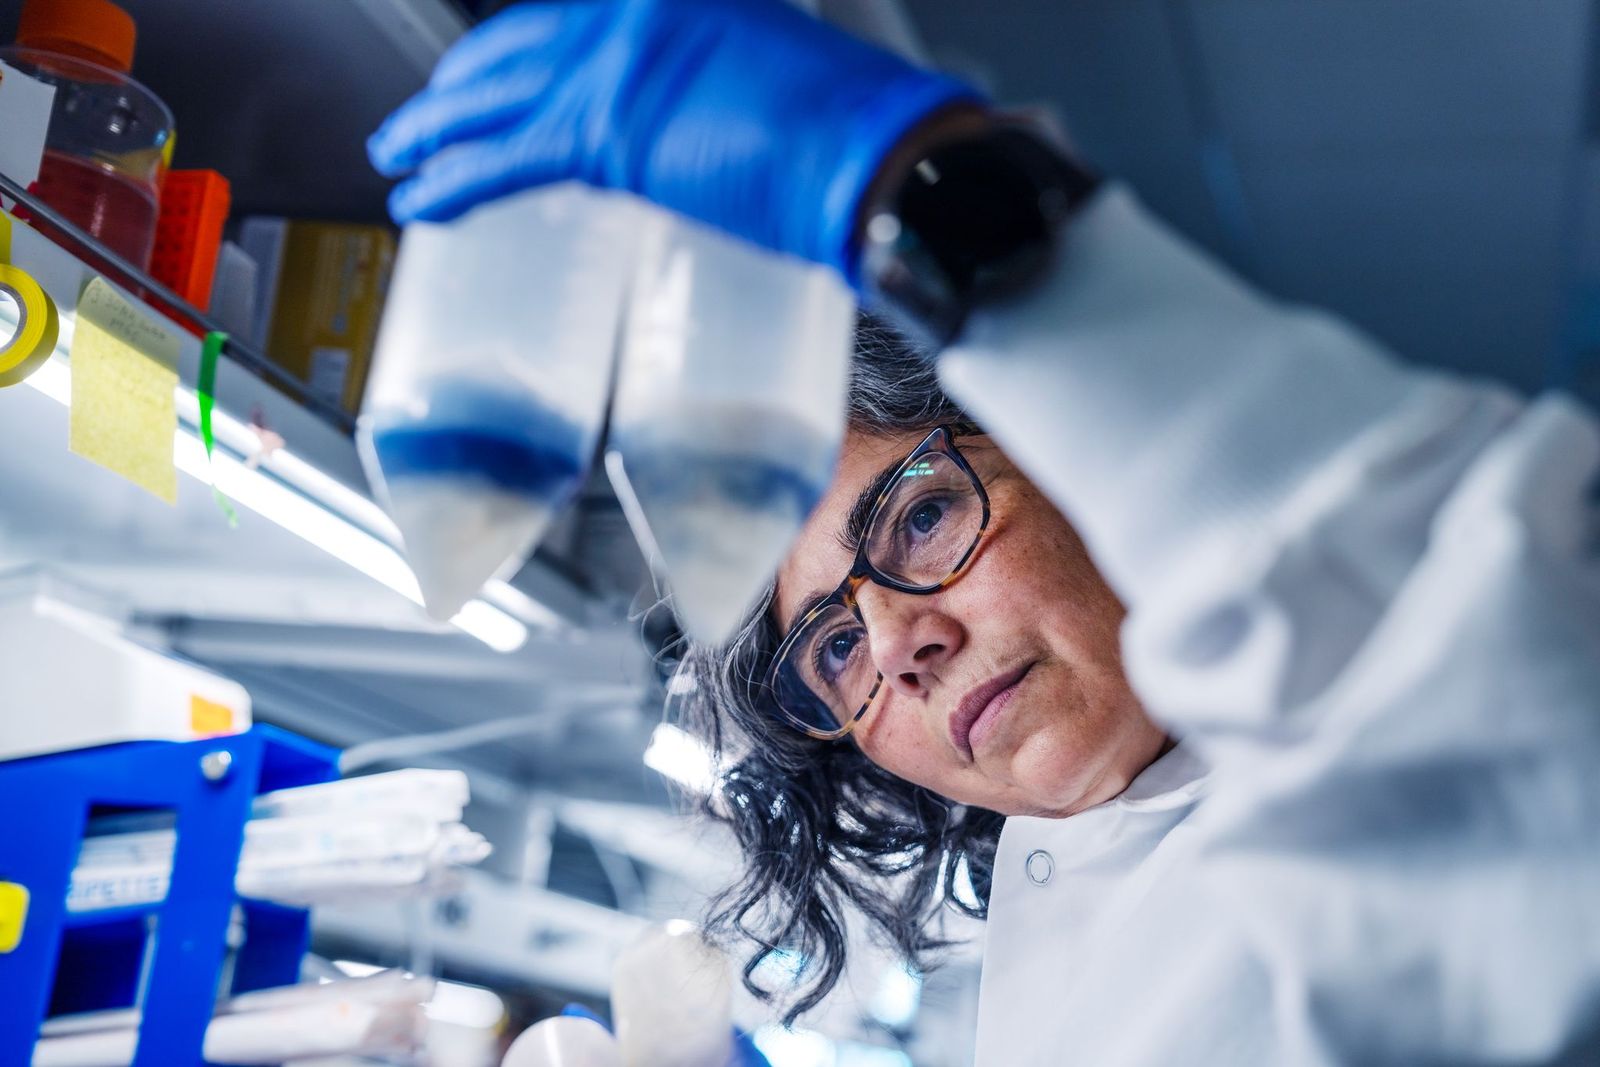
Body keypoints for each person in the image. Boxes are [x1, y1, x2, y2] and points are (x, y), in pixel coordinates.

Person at [369, 2, 1600, 1063]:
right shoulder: (1028, 921)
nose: (899, 642)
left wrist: (937, 197)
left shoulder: (1381, 779)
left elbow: (1468, 662)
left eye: (919, 514)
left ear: (1080, 463)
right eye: (833, 650)